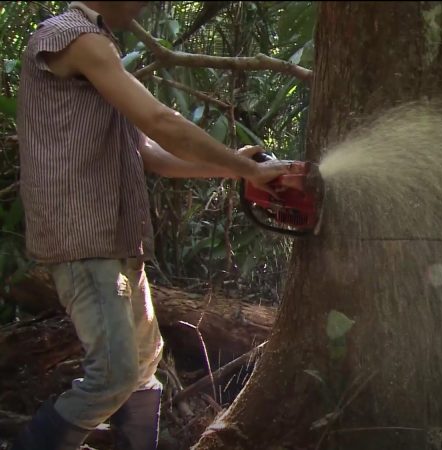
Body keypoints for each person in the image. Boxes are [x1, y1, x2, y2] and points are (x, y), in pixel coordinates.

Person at [12, 2, 291, 449]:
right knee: (113, 376)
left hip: (117, 237)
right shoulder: (72, 36)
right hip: (83, 236)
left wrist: (235, 168)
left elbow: (154, 156)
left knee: (142, 370)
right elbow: (162, 122)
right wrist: (247, 172)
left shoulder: (99, 49)